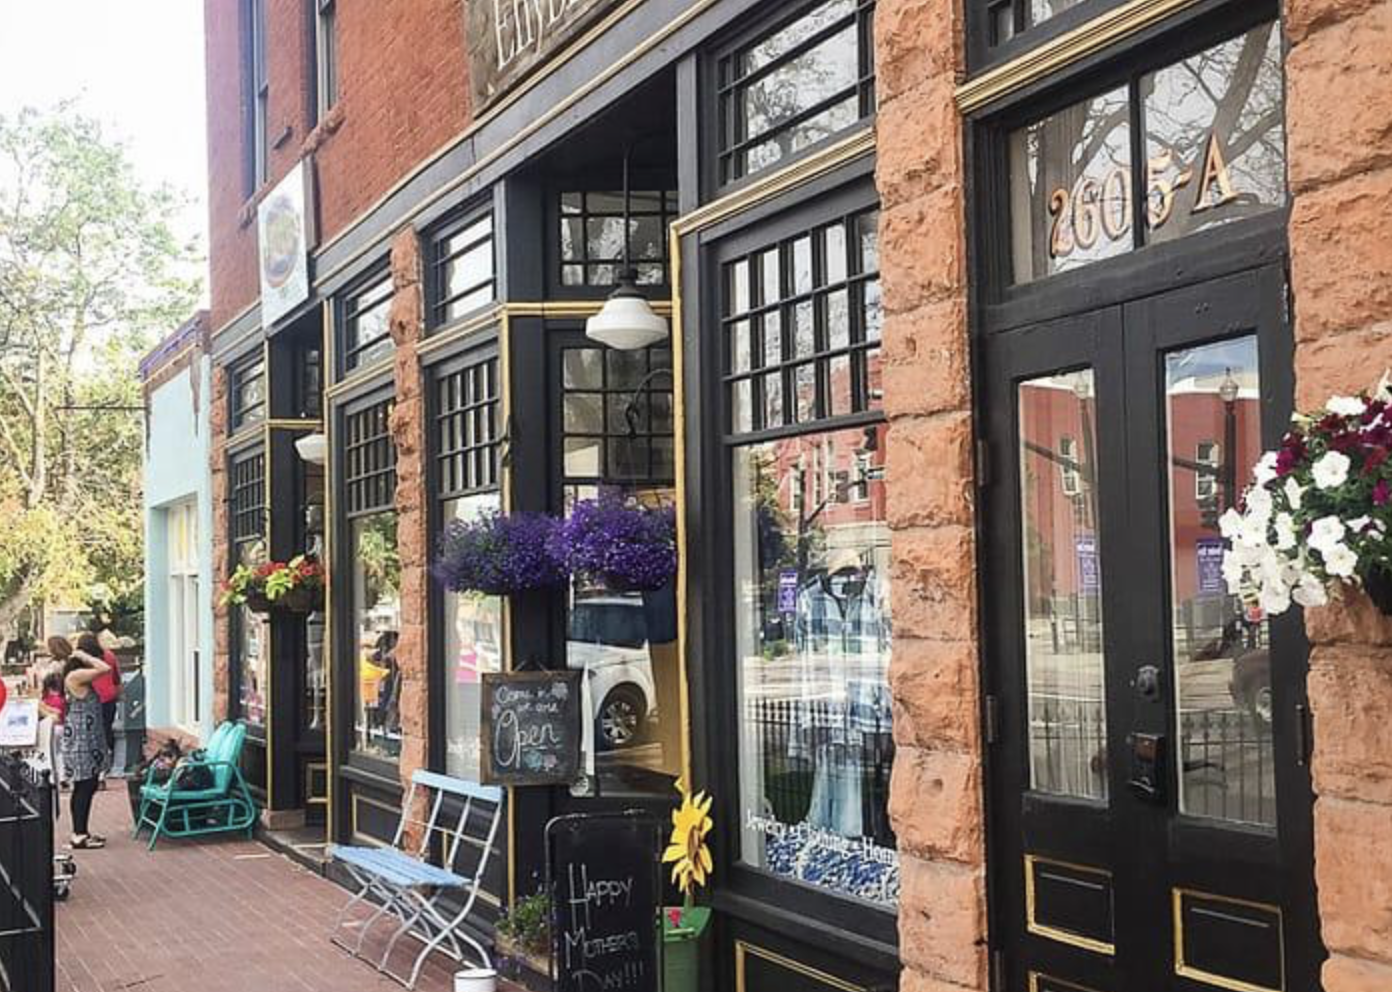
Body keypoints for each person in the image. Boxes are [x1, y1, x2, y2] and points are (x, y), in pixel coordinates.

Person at [61, 644, 111, 849]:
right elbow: (104, 669)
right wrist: (84, 655)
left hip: (88, 738)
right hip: (81, 740)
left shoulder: (78, 676)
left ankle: (81, 831)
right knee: (84, 785)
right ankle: (78, 834)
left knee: (87, 785)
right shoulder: (75, 676)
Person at [79, 632, 122, 763]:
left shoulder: (83, 659)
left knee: (90, 731)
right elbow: (116, 677)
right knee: (107, 728)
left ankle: (93, 759)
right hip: (109, 696)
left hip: (91, 698)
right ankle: (109, 756)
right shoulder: (109, 655)